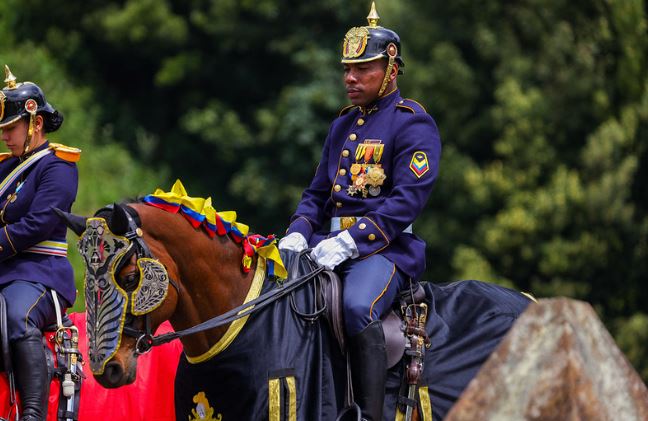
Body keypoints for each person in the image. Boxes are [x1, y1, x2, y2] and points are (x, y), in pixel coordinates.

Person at [279, 3, 442, 420]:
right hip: (324, 245)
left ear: (390, 69)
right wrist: (298, 230)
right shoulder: (342, 125)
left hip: (382, 250)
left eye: (363, 68)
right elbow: (317, 192)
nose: (350, 78)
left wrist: (351, 242)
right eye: (347, 69)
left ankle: (370, 414)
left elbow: (406, 201)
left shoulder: (412, 124)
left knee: (356, 307)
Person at [0, 65, 80, 421]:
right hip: (5, 270)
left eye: (10, 128)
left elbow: (40, 223)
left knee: (18, 317)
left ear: (35, 123)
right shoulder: (4, 168)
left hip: (39, 274)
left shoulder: (58, 167)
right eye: (2, 130)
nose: (4, 137)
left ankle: (32, 413)